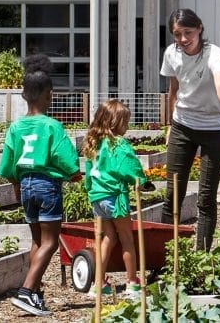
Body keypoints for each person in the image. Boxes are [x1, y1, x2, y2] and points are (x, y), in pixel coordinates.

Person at [0, 54, 80, 317]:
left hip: (25, 185)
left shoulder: (16, 126)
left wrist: (16, 184)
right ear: (49, 94)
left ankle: (34, 294)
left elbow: (7, 164)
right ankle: (25, 290)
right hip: (46, 185)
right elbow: (66, 158)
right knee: (51, 243)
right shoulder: (52, 126)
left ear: (24, 95)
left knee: (37, 241)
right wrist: (76, 174)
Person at [160, 8, 220, 251]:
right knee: (173, 192)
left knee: (205, 197)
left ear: (200, 29)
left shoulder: (214, 54)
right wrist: (170, 125)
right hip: (183, 124)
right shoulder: (172, 54)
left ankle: (201, 255)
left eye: (188, 32)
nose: (183, 39)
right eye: (177, 34)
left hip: (215, 127)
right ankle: (167, 254)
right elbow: (173, 90)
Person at [83, 99, 146, 300]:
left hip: (98, 197)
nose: (127, 127)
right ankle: (132, 283)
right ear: (114, 123)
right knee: (127, 238)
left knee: (107, 238)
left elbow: (88, 173)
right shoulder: (118, 145)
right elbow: (129, 168)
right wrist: (141, 180)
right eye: (125, 123)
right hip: (115, 196)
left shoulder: (94, 143)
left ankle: (98, 283)